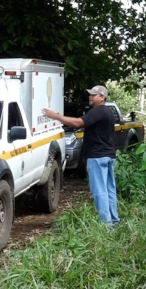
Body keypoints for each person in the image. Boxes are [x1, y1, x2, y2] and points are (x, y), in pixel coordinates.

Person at [43, 85, 120, 226]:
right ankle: (114, 221)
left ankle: (106, 225)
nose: (90, 97)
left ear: (102, 97)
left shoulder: (98, 111)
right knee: (109, 189)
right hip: (109, 156)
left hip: (97, 156)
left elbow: (77, 122)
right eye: (90, 94)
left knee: (99, 191)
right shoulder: (107, 112)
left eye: (94, 95)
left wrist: (55, 116)